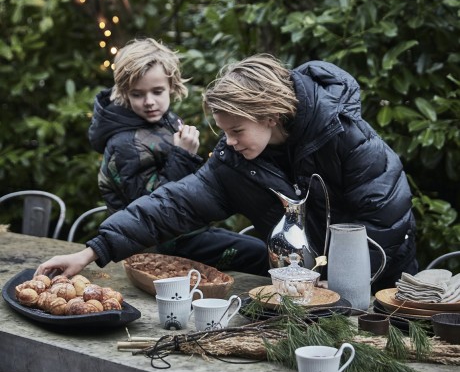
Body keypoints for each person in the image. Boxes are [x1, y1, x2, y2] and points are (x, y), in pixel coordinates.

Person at [36, 55, 418, 290]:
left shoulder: (347, 138)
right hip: (304, 290)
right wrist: (92, 252)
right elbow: (173, 203)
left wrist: (338, 279)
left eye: (237, 130)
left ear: (270, 116)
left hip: (383, 286)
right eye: (223, 131)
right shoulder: (234, 160)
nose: (228, 141)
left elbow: (387, 216)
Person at [85, 38, 268, 275]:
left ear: (171, 85)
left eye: (157, 91)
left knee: (262, 247)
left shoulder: (166, 121)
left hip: (183, 233)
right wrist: (183, 155)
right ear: (123, 92)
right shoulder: (124, 144)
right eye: (138, 94)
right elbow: (147, 206)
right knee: (258, 254)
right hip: (153, 246)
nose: (149, 102)